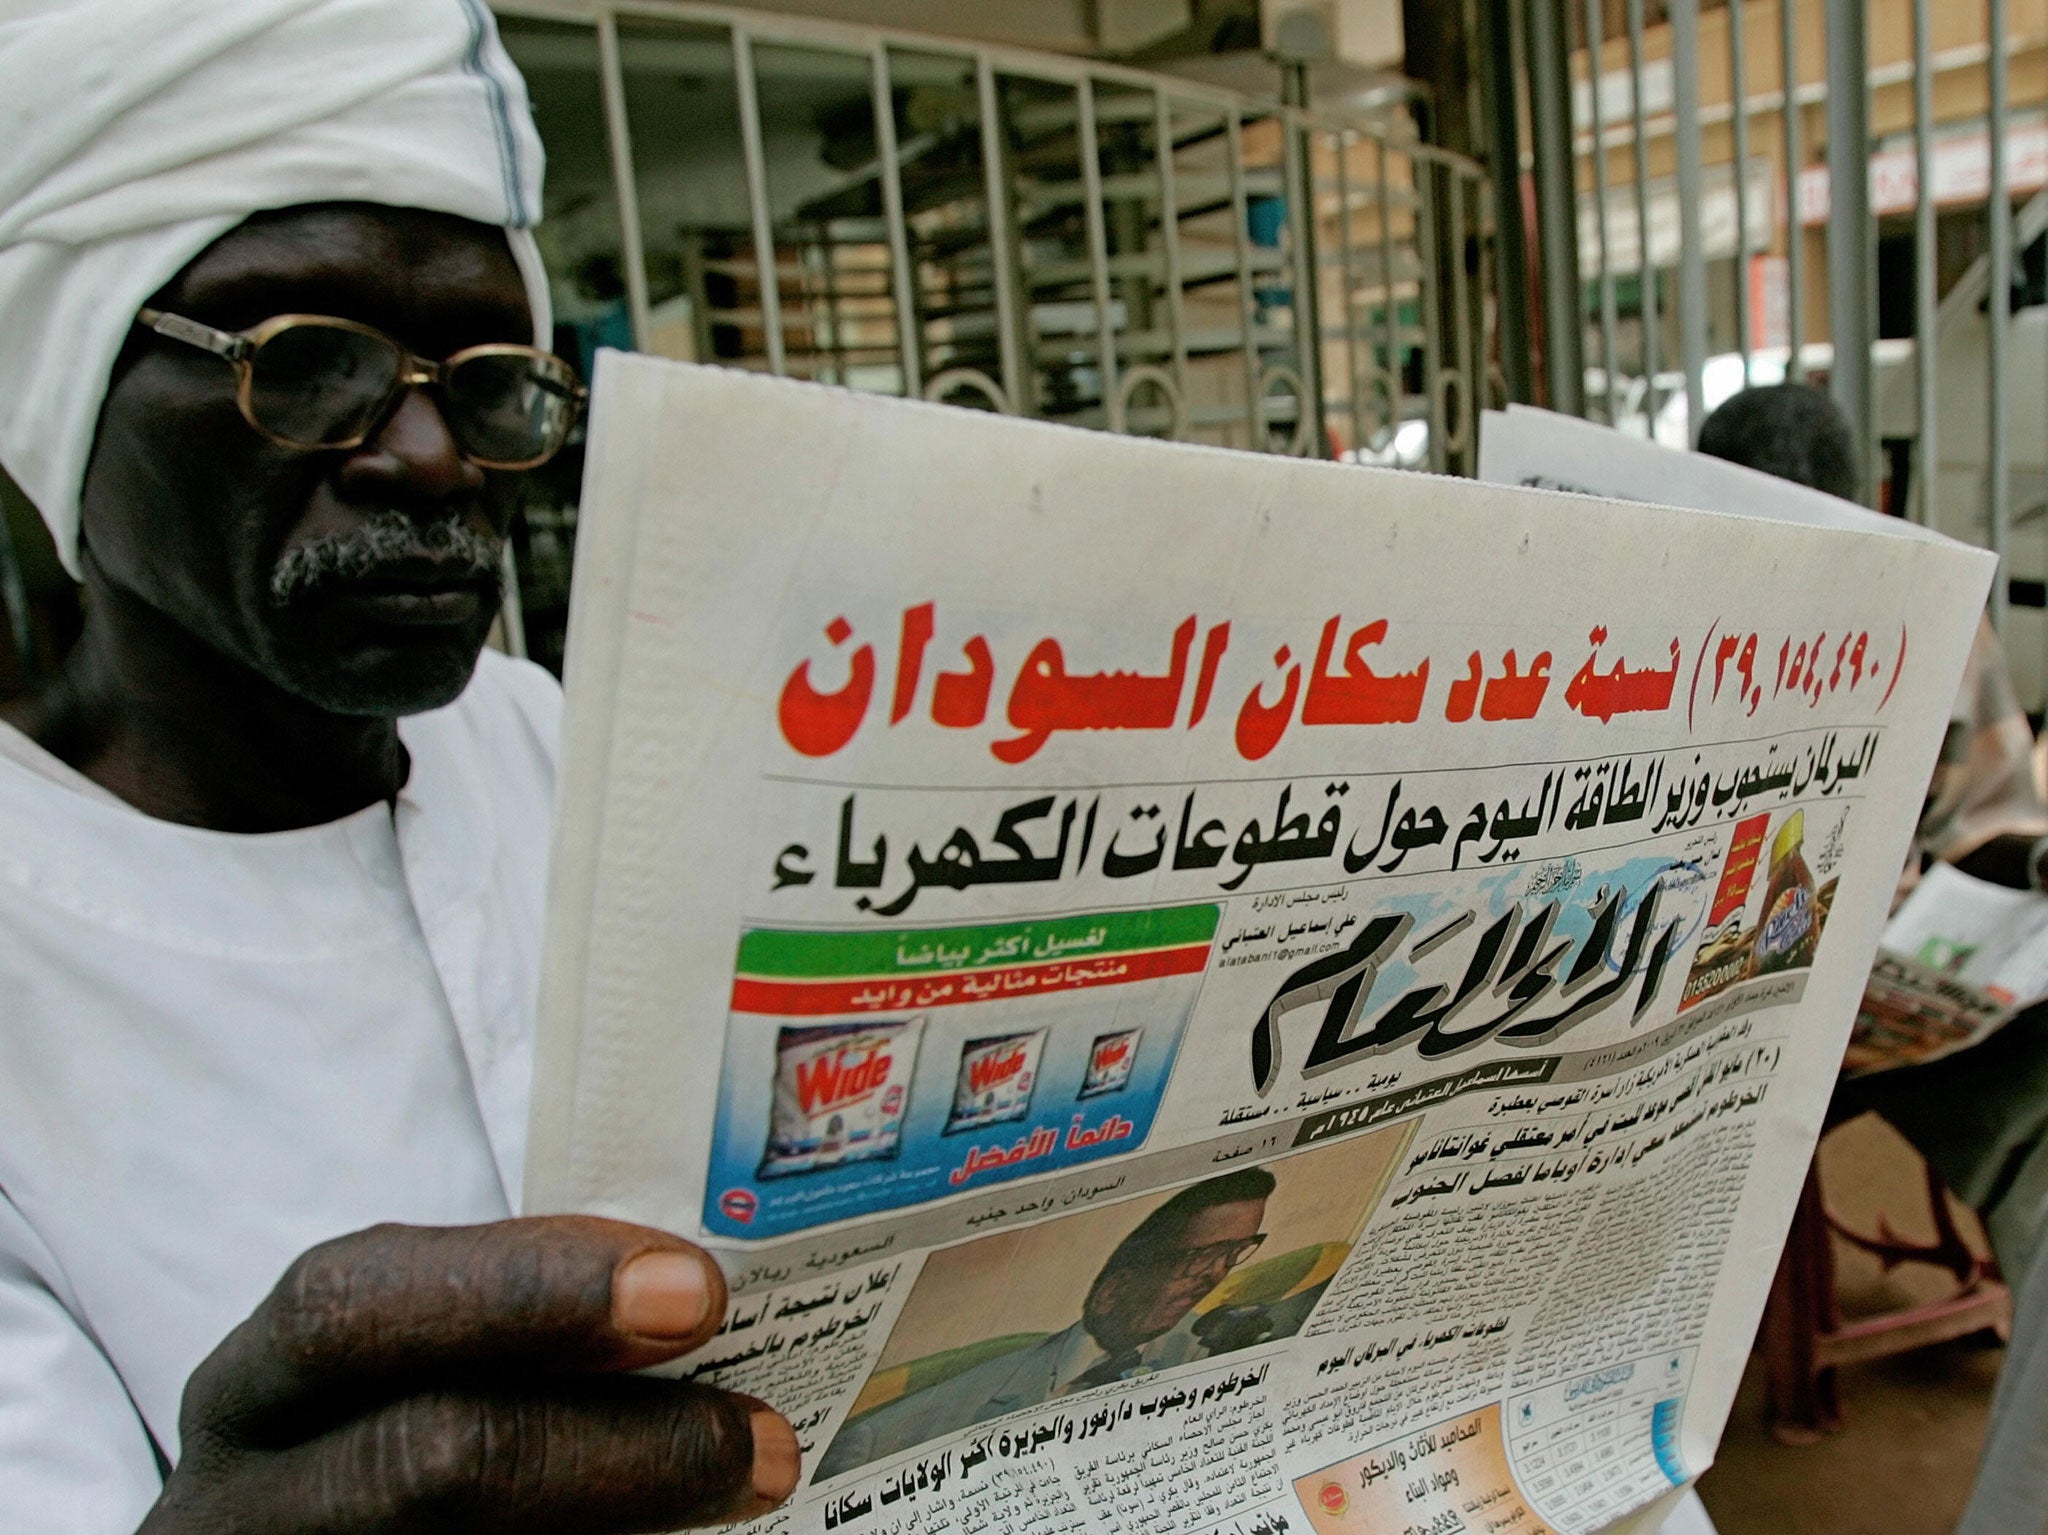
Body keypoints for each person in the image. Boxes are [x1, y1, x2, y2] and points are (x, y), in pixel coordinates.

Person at [0, 4, 795, 1531]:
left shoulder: (551, 742)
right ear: (64, 385)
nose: (427, 458)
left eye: (488, 382)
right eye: (308, 364)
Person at [1700, 383, 2048, 1535]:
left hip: (1906, 996)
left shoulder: (1936, 614)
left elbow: (1998, 821)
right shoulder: (1678, 622)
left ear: (1869, 509)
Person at [816, 1168, 1277, 1477]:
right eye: (1201, 1257)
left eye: (1233, 1254)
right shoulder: (879, 1442)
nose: (1216, 1276)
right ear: (1114, 1287)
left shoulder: (1211, 1349)